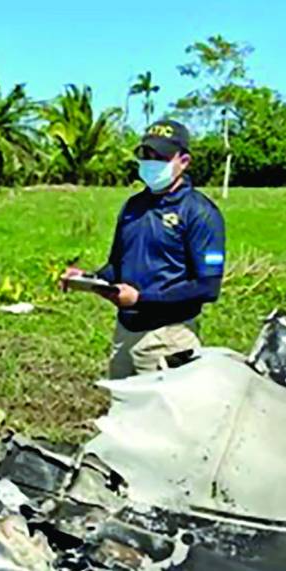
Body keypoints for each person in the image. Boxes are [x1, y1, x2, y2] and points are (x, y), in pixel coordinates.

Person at [63, 119, 226, 378]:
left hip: (168, 337)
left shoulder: (201, 213)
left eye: (160, 156)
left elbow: (208, 287)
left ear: (183, 161)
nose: (151, 162)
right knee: (121, 408)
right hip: (125, 332)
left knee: (164, 415)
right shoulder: (133, 207)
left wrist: (142, 299)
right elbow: (117, 266)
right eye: (145, 154)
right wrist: (88, 279)